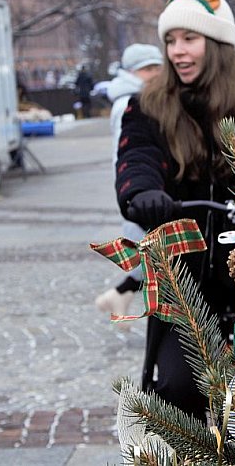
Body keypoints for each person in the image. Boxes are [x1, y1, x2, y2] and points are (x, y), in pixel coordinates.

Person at [115, 0, 235, 420]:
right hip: (184, 275)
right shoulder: (149, 104)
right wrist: (142, 193)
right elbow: (137, 158)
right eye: (171, 41)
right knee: (177, 387)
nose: (177, 51)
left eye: (189, 38)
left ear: (216, 42)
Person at [94, 44, 163, 326]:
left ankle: (120, 294)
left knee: (149, 251)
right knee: (151, 252)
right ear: (133, 72)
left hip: (139, 185)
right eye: (148, 69)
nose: (155, 74)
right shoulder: (130, 102)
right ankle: (122, 294)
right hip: (138, 188)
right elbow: (129, 152)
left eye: (158, 68)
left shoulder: (136, 97)